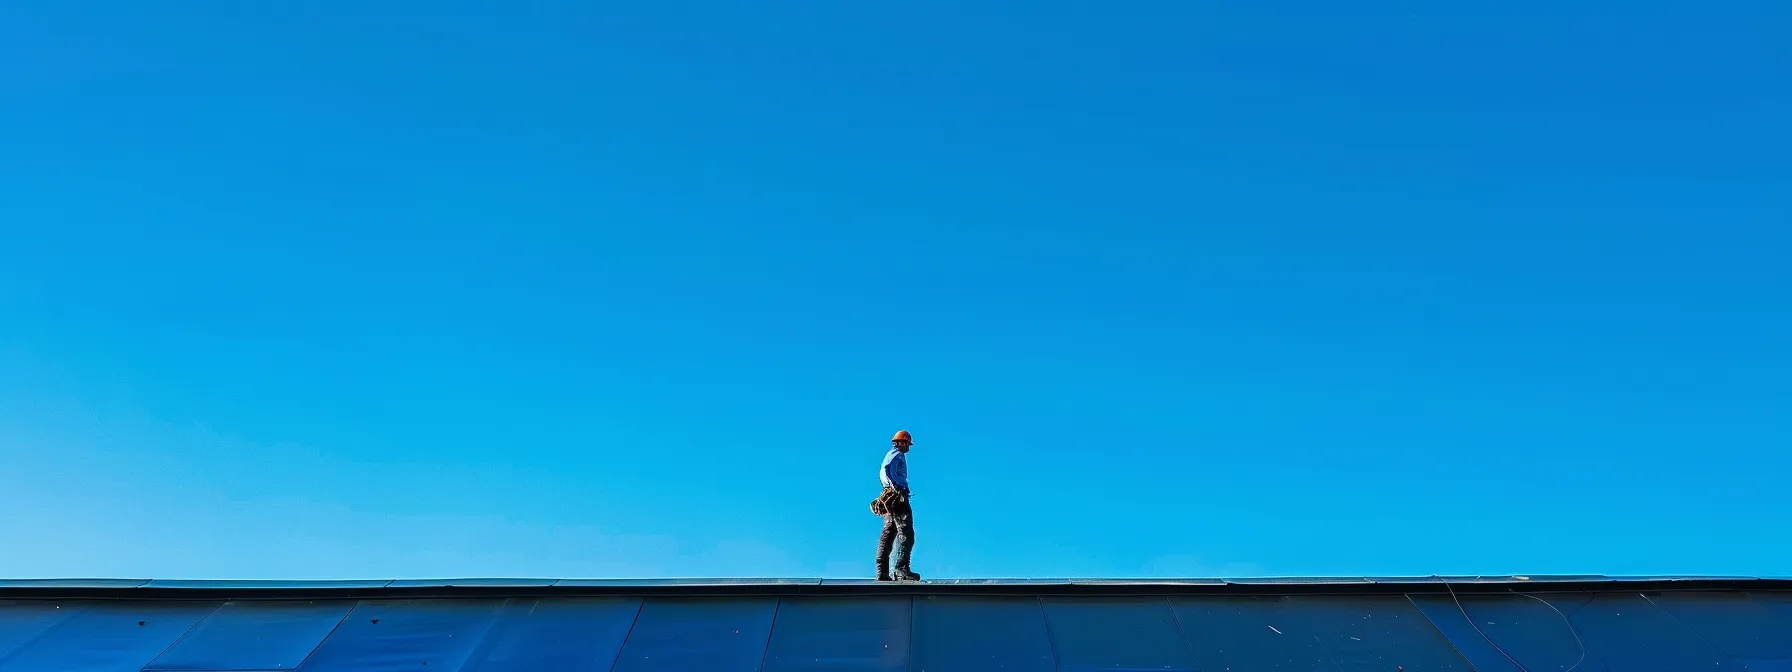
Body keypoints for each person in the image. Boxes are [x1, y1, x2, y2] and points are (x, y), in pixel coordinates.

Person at [874, 429, 920, 581]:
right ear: (902, 442)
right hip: (897, 497)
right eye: (907, 443)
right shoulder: (896, 454)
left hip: (890, 498)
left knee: (888, 533)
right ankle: (901, 569)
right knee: (906, 532)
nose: (908, 447)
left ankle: (882, 572)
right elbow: (886, 469)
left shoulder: (892, 454)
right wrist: (896, 487)